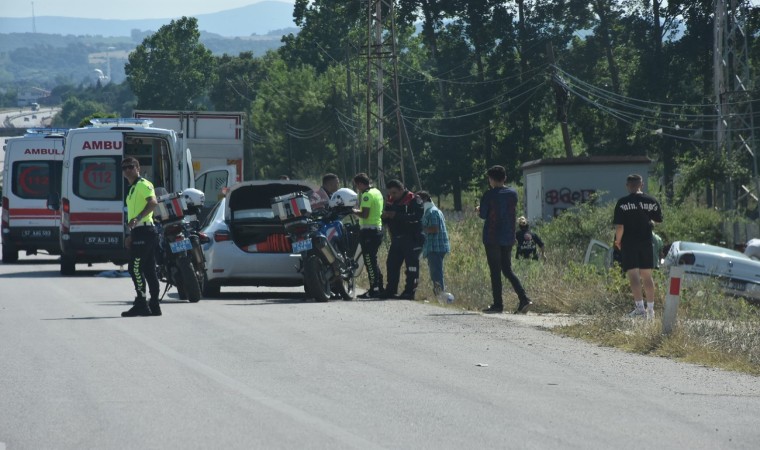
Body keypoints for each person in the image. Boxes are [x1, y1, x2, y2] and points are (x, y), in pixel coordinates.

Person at [478, 165, 533, 314]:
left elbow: (483, 214)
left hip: (492, 236)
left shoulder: (489, 195)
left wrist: (479, 209)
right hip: (508, 236)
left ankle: (498, 305)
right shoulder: (512, 194)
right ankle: (524, 299)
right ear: (504, 178)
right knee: (507, 270)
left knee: (495, 271)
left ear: (491, 179)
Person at [613, 174, 663, 319]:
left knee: (633, 274)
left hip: (629, 243)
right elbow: (657, 220)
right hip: (646, 242)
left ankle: (640, 308)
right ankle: (651, 311)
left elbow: (620, 226)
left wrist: (618, 241)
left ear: (627, 186)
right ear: (642, 185)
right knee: (647, 276)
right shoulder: (652, 201)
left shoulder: (622, 203)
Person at [121, 157, 161, 317]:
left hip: (145, 232)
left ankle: (141, 304)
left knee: (134, 268)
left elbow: (153, 202)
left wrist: (137, 218)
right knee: (149, 270)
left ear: (138, 168)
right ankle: (154, 306)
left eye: (130, 167)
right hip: (140, 232)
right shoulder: (132, 188)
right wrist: (131, 234)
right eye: (124, 168)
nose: (127, 170)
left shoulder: (143, 184)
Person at [381, 179, 424, 300]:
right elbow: (387, 218)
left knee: (411, 266)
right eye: (390, 193)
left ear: (401, 189)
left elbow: (417, 217)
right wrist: (385, 217)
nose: (392, 196)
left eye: (394, 193)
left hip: (412, 238)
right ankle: (391, 290)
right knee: (391, 264)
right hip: (396, 238)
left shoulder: (414, 199)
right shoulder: (391, 201)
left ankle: (409, 291)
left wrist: (396, 215)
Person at [352, 173, 385, 299]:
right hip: (377, 229)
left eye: (357, 186)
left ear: (360, 184)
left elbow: (365, 214)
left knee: (369, 261)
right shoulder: (376, 191)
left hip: (369, 231)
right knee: (372, 259)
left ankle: (374, 289)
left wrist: (353, 211)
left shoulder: (367, 195)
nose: (357, 188)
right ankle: (379, 286)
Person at [417, 191, 451, 301]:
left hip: (436, 246)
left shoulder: (432, 212)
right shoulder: (431, 211)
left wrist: (421, 229)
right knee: (435, 272)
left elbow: (435, 228)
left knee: (436, 272)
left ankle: (440, 296)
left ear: (424, 199)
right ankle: (439, 295)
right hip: (433, 246)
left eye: (418, 199)